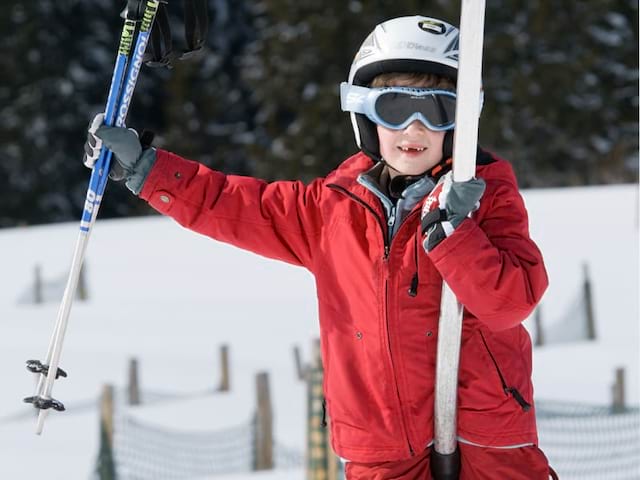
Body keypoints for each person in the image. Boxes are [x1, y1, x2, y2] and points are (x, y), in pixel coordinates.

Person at [84, 15, 555, 480]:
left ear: (460, 121)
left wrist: (456, 233)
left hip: (487, 435)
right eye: (395, 109)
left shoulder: (487, 194)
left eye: (435, 111)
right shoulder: (331, 209)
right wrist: (149, 170)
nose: (413, 129)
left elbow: (510, 302)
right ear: (366, 113)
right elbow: (231, 204)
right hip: (380, 437)